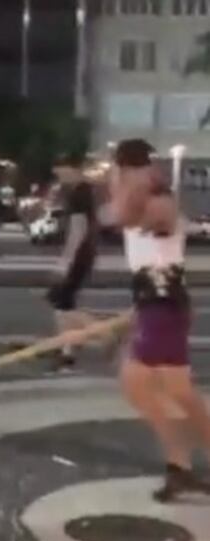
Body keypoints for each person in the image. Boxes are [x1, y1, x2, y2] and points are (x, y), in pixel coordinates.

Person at [111, 138, 210, 502]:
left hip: (165, 307)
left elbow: (124, 217)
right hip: (156, 305)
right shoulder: (144, 194)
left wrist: (127, 183)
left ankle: (181, 465)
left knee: (147, 384)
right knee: (174, 391)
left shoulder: (158, 200)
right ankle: (179, 466)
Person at [45, 153, 99, 372]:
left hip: (80, 254)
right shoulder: (82, 191)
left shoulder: (80, 193)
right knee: (63, 303)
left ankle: (101, 331)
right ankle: (67, 350)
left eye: (60, 172)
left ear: (71, 169)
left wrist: (65, 261)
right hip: (84, 252)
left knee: (61, 302)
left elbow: (79, 230)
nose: (59, 176)